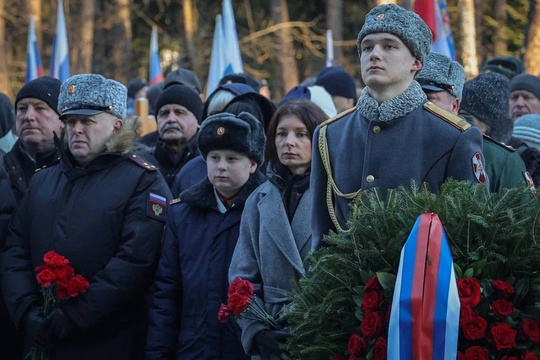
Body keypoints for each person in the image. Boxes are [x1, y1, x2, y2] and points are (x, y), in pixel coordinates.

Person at [1, 73, 171, 360]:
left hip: (109, 339)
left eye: (87, 121)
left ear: (116, 125)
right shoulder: (44, 181)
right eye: (70, 122)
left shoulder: (142, 180)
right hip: (42, 339)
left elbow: (135, 260)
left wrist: (74, 316)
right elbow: (15, 249)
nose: (76, 129)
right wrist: (27, 311)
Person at [311, 4, 486, 250]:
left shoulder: (453, 136)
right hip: (345, 282)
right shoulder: (330, 134)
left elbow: (471, 236)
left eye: (389, 46)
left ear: (416, 62)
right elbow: (322, 236)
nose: (374, 54)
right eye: (367, 47)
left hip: (424, 282)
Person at [146, 112, 266, 359]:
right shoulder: (182, 214)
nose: (221, 166)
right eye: (214, 158)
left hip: (246, 348)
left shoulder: (267, 211)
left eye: (232, 159)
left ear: (253, 164)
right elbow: (167, 291)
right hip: (195, 348)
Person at [228, 100, 328, 360]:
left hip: (322, 335)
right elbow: (241, 277)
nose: (289, 142)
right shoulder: (258, 199)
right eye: (281, 134)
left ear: (320, 136)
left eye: (301, 134)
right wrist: (257, 330)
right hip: (272, 331)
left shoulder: (335, 195)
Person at [416, 52, 529, 192]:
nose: (419, 104)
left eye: (429, 98)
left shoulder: (502, 159)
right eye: (413, 97)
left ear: (455, 105)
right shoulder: (392, 140)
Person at [1, 77, 64, 203]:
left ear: (62, 119)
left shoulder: (79, 170)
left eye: (39, 108)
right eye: (22, 108)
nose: (28, 117)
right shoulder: (3, 168)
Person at [148, 84, 204, 188]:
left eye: (179, 112)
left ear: (198, 121)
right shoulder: (144, 160)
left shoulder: (209, 160)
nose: (171, 119)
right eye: (164, 113)